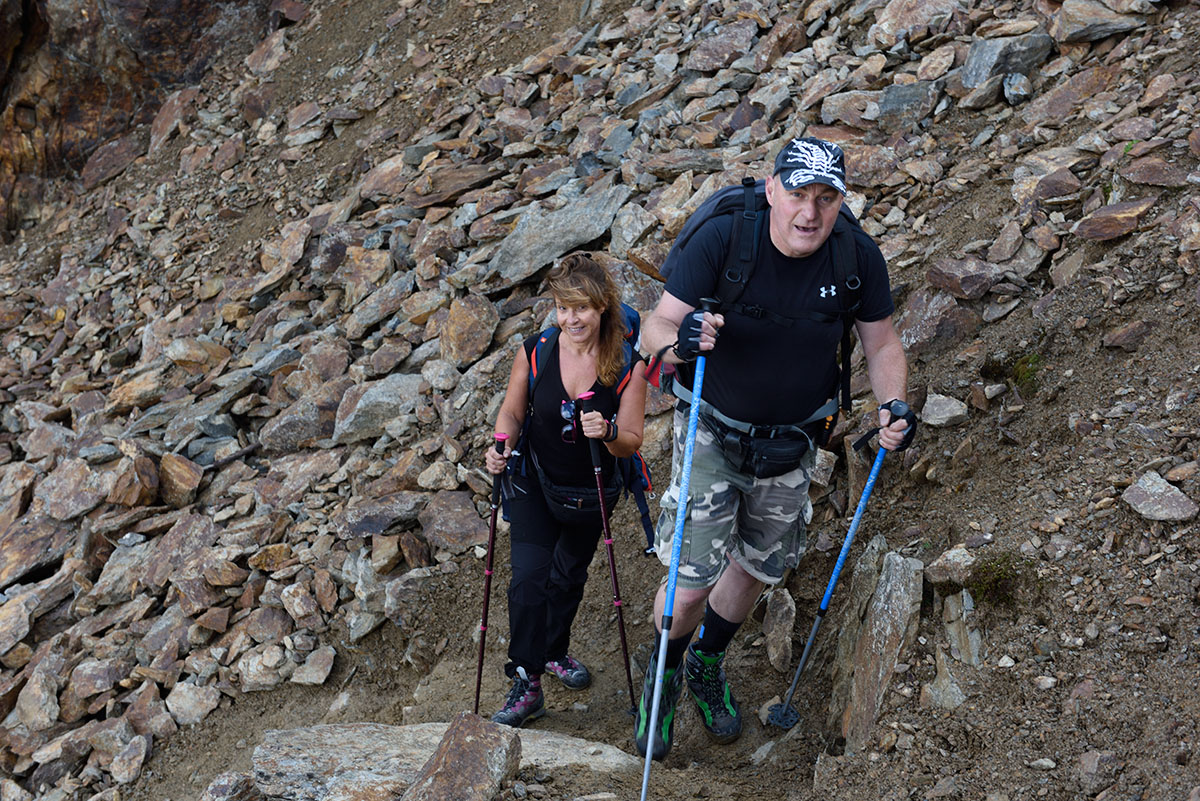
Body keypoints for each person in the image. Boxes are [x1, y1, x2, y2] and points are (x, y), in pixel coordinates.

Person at [633, 136, 916, 759]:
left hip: (794, 439)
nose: (809, 213)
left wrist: (893, 405)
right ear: (771, 190)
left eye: (825, 198)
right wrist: (680, 342)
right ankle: (665, 670)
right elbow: (655, 326)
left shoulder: (855, 258)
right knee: (690, 582)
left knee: (756, 568)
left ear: (840, 202)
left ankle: (706, 662)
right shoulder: (724, 239)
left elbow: (882, 343)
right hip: (712, 427)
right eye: (797, 195)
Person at [484, 253, 648, 728]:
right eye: (562, 307)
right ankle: (527, 680)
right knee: (528, 581)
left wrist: (608, 431)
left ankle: (553, 651)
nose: (570, 319)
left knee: (567, 580)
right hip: (534, 480)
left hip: (591, 491)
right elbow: (513, 412)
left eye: (581, 308)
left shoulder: (627, 364)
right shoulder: (536, 350)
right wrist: (500, 445)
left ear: (602, 307)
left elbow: (632, 440)